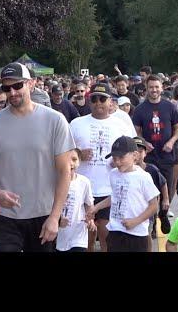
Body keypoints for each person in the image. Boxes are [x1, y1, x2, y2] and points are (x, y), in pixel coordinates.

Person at [0, 63, 75, 252]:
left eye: (17, 85)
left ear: (31, 83)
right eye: (6, 88)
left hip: (42, 215)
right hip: (3, 216)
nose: (12, 92)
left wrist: (55, 216)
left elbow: (64, 172)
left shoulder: (55, 120)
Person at [69, 82, 127, 252]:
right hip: (82, 188)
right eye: (94, 99)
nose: (98, 102)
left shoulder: (121, 124)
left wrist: (119, 160)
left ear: (111, 102)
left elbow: (133, 153)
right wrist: (79, 154)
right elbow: (64, 152)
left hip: (110, 189)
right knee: (85, 236)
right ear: (89, 101)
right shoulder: (76, 123)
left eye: (103, 99)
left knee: (106, 235)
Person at [90, 136, 159, 252]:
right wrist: (96, 207)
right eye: (114, 158)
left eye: (121, 157)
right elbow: (116, 196)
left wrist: (136, 221)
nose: (117, 162)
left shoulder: (143, 177)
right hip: (115, 230)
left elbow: (154, 205)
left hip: (136, 233)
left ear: (135, 155)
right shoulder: (113, 174)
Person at [133, 75, 178, 203]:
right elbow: (136, 131)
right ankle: (153, 219)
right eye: (151, 87)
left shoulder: (170, 107)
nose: (154, 90)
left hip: (167, 154)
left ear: (161, 88)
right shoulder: (139, 109)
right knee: (150, 191)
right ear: (146, 88)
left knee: (168, 188)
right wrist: (144, 142)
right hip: (149, 156)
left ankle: (164, 216)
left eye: (156, 87)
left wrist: (171, 141)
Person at [56, 148, 96, 252]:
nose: (71, 163)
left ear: (80, 161)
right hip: (58, 235)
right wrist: (58, 220)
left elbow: (89, 204)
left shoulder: (84, 182)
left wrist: (90, 219)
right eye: (66, 159)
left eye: (74, 159)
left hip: (78, 235)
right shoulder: (54, 181)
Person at [134, 136, 169, 248]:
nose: (138, 155)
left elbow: (163, 183)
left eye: (140, 151)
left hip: (148, 209)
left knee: (146, 233)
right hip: (132, 208)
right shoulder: (124, 170)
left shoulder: (151, 169)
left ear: (146, 153)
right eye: (134, 152)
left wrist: (166, 199)